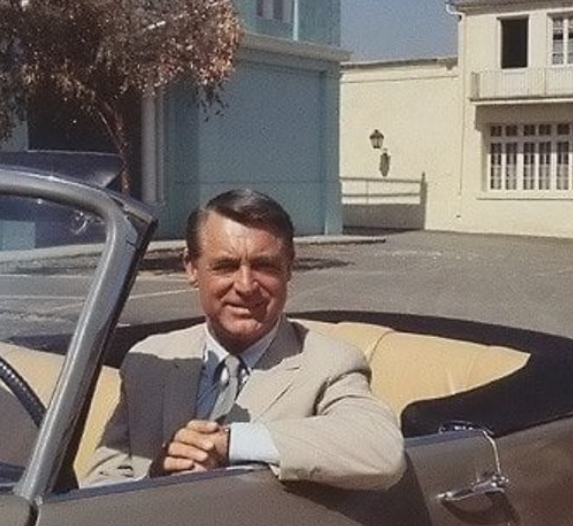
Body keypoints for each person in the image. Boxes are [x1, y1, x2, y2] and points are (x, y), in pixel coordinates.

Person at [82, 188, 405, 490]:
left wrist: (232, 442)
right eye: (226, 266)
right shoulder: (151, 360)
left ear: (288, 269)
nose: (246, 285)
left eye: (265, 266)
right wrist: (156, 478)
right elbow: (99, 485)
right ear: (192, 268)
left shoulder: (327, 364)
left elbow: (382, 450)